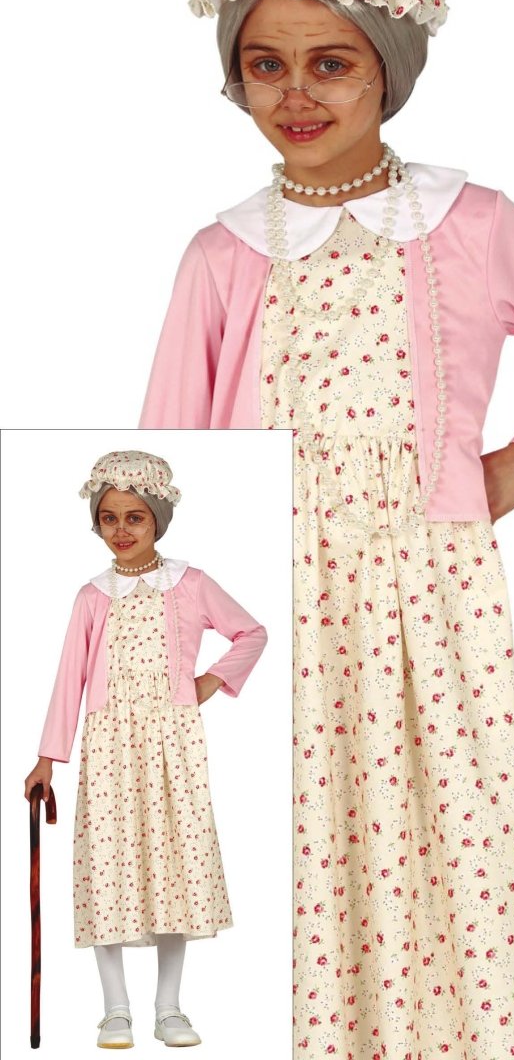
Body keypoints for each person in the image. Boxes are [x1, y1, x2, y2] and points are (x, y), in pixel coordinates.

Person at [139, 0, 514, 1059]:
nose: (297, 94)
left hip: (430, 585)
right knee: (293, 843)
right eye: (266, 64)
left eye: (331, 63)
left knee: (456, 835)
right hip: (281, 594)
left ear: (389, 64)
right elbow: (179, 452)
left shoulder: (471, 225)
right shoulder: (223, 254)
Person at [24, 449, 268, 1049]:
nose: (122, 530)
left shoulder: (190, 584)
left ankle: (169, 1008)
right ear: (96, 522)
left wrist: (209, 682)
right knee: (107, 866)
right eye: (108, 518)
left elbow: (251, 632)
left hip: (172, 744)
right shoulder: (92, 595)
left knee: (172, 868)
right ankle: (115, 1009)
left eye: (135, 517)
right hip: (110, 745)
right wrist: (48, 759)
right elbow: (70, 680)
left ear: (158, 517)